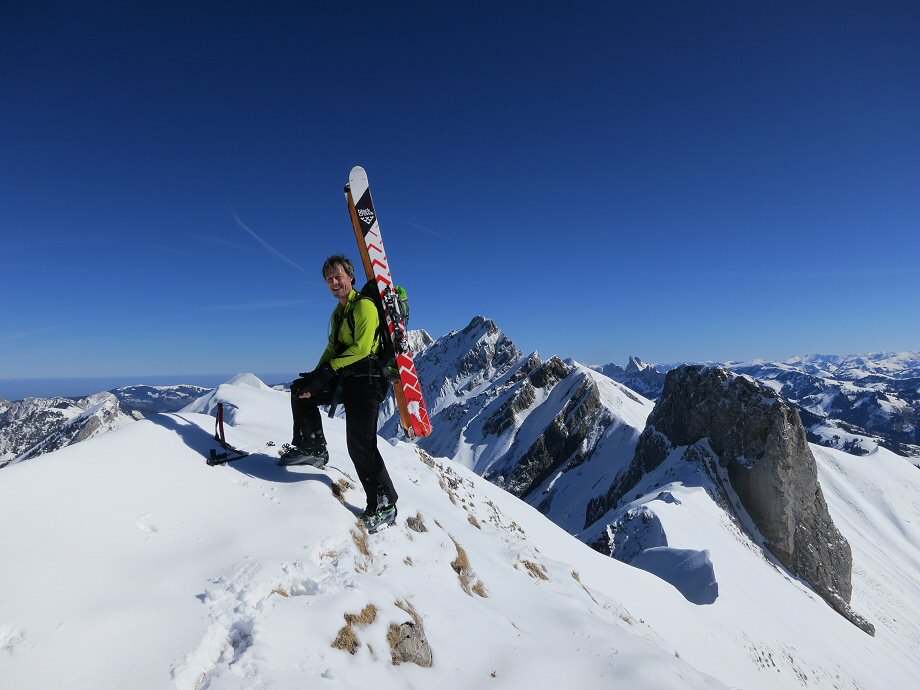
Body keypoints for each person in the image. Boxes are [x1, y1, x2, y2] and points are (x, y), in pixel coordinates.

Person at [283, 254, 398, 529]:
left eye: (338, 276)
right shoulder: (339, 313)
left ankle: (384, 503)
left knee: (360, 443)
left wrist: (328, 370)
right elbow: (332, 349)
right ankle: (313, 447)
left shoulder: (365, 307)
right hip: (347, 378)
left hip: (368, 382)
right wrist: (316, 375)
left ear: (351, 277)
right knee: (301, 392)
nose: (334, 282)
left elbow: (360, 348)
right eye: (329, 279)